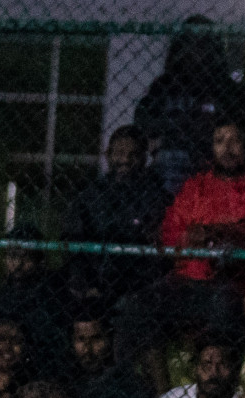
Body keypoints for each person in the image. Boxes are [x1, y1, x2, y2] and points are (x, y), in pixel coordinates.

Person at [116, 120, 245, 391]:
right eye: (219, 140)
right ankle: (160, 395)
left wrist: (226, 233)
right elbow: (171, 232)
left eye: (234, 140)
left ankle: (216, 390)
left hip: (237, 282)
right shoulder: (196, 186)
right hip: (188, 278)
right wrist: (188, 238)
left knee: (223, 303)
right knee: (137, 305)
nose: (227, 148)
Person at [133, 16, 245, 194]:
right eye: (191, 43)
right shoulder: (165, 85)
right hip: (168, 171)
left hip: (212, 170)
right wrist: (175, 125)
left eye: (203, 44)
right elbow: (144, 120)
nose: (196, 52)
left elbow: (239, 128)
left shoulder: (227, 89)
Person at [62, 126, 170, 308]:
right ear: (108, 155)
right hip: (93, 280)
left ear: (144, 158)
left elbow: (157, 257)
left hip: (136, 286)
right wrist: (84, 282)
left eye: (133, 155)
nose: (125, 160)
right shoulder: (90, 196)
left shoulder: (157, 198)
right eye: (119, 153)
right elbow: (73, 243)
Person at [0, 223, 70, 380]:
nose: (18, 265)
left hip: (43, 372)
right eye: (12, 256)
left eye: (26, 257)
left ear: (39, 260)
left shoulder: (52, 293)